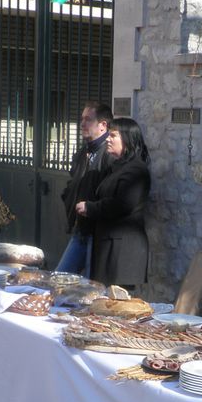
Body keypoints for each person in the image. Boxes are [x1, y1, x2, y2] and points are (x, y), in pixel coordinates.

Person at [76, 118, 151, 288]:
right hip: (109, 246)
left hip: (122, 251)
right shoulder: (119, 167)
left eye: (113, 136)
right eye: (108, 135)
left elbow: (122, 204)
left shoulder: (136, 170)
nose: (108, 139)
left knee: (116, 306)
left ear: (127, 139)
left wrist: (90, 207)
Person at [57, 101, 113, 274]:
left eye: (88, 119)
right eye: (82, 119)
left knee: (90, 289)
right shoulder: (84, 152)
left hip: (97, 235)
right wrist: (68, 196)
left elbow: (111, 194)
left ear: (103, 125)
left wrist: (91, 208)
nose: (82, 124)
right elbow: (74, 181)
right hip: (80, 230)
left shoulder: (109, 154)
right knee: (60, 279)